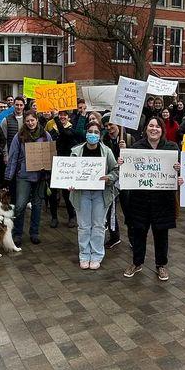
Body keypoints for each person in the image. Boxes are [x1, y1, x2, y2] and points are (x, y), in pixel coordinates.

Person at [121, 116, 178, 281]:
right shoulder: (136, 147)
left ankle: (161, 265)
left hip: (163, 199)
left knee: (161, 234)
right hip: (140, 199)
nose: (154, 129)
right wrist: (122, 163)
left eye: (158, 126)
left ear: (162, 130)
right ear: (146, 129)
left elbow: (179, 172)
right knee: (138, 232)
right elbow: (128, 170)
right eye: (151, 126)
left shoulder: (171, 147)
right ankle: (137, 262)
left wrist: (178, 168)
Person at [68, 115, 118, 270]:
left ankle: (96, 255)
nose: (93, 134)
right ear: (86, 133)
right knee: (83, 226)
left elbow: (116, 170)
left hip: (100, 194)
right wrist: (69, 183)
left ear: (100, 134)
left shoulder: (107, 151)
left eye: (96, 132)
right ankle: (84, 255)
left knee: (97, 225)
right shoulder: (76, 151)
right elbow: (68, 172)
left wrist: (108, 178)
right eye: (90, 131)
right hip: (81, 194)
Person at [5, 111, 52, 245]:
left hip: (40, 176)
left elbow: (50, 155)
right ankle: (17, 233)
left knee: (37, 205)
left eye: (32, 120)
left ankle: (34, 232)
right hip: (24, 176)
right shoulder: (19, 136)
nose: (30, 123)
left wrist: (49, 171)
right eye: (27, 121)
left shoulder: (45, 135)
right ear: (24, 122)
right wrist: (8, 176)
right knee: (20, 205)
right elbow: (13, 156)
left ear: (37, 120)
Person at [49, 111, 80, 227]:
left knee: (67, 194)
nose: (62, 117)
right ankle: (54, 217)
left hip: (66, 166)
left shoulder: (71, 130)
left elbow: (64, 134)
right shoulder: (52, 131)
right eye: (60, 115)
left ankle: (71, 216)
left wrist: (55, 117)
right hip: (52, 164)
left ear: (68, 117)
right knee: (53, 194)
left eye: (64, 115)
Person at [103, 121, 128, 247]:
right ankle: (114, 236)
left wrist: (126, 149)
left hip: (126, 179)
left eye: (111, 125)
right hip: (112, 180)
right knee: (110, 210)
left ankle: (133, 238)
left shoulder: (128, 138)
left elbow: (136, 158)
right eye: (106, 126)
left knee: (128, 209)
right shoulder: (104, 140)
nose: (108, 128)